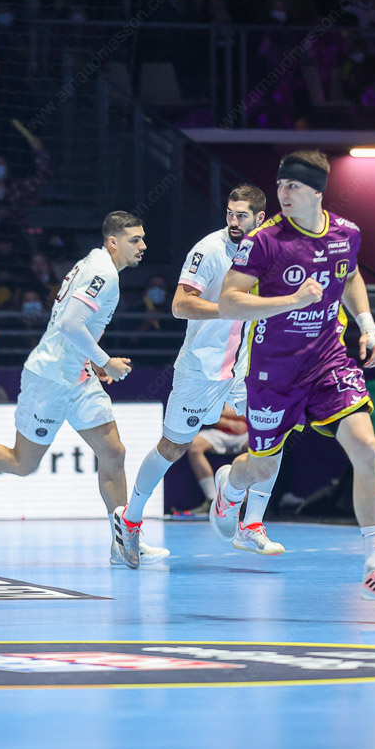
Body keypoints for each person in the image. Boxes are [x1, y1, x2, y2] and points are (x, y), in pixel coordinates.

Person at [0, 211, 166, 569]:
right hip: (50, 378)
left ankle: (123, 542)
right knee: (22, 462)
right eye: (135, 240)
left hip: (77, 375)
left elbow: (73, 325)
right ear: (113, 241)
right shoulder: (103, 272)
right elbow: (71, 324)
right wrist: (105, 361)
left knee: (113, 452)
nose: (143, 245)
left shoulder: (96, 262)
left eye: (143, 238)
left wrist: (92, 362)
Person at [215, 150, 375, 602]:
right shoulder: (264, 241)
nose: (283, 193)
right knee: (261, 466)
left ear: (317, 191)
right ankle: (230, 485)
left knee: (366, 447)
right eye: (281, 185)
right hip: (273, 371)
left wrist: (367, 326)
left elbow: (350, 275)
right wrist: (290, 301)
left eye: (293, 186)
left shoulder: (347, 234)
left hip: (327, 360)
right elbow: (228, 301)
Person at [120, 185, 285, 554]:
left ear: (260, 217)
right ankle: (129, 521)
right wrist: (229, 309)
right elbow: (180, 305)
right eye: (229, 213)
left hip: (246, 369)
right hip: (202, 368)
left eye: (241, 215)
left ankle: (250, 523)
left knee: (273, 436)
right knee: (173, 447)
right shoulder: (209, 250)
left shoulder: (269, 250)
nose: (233, 221)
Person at [186, 406, 249, 512]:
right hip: (219, 432)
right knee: (194, 446)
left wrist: (222, 413)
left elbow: (253, 414)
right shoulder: (214, 393)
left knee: (259, 447)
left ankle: (246, 501)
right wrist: (229, 423)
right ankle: (212, 499)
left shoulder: (251, 394)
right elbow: (206, 414)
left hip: (246, 433)